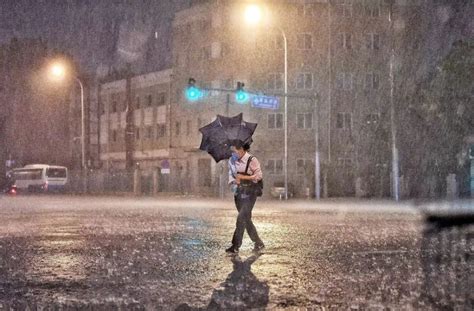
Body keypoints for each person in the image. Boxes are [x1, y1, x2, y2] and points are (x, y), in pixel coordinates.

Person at [226, 140, 265, 253]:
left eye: (235, 150)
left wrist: (243, 177)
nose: (233, 153)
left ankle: (235, 245)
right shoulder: (232, 161)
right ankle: (258, 242)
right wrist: (234, 181)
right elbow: (231, 176)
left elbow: (258, 176)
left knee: (241, 218)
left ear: (242, 149)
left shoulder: (252, 160)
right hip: (239, 192)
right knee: (246, 219)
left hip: (250, 192)